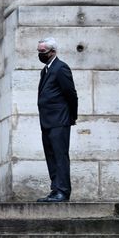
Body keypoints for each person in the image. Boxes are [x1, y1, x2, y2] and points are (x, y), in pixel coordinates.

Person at [36, 37, 78, 202]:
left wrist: (71, 116)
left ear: (53, 52)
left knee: (60, 156)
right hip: (47, 121)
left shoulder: (61, 68)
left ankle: (63, 191)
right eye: (39, 51)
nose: (40, 54)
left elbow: (71, 94)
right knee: (51, 156)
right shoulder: (45, 70)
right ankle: (55, 190)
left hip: (59, 120)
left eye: (43, 52)